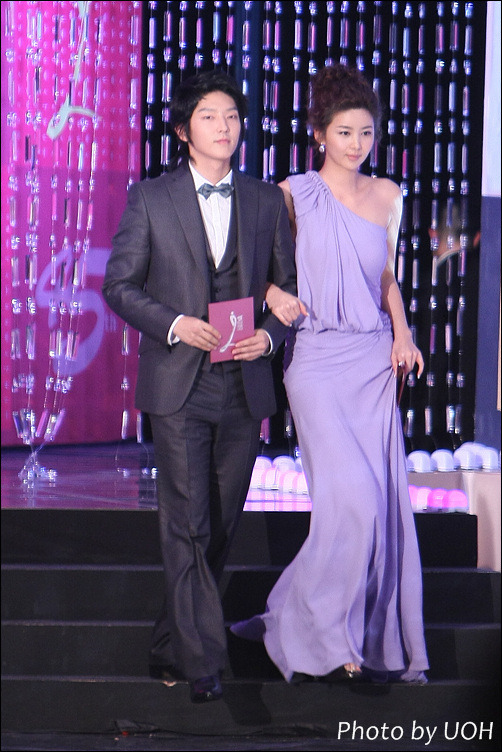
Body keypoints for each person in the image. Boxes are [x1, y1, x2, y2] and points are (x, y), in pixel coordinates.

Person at [102, 70, 297, 703]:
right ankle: (205, 661)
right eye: (210, 116)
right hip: (179, 383)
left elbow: (286, 290)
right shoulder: (151, 198)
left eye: (233, 116)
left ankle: (171, 644)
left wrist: (269, 336)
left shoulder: (266, 200)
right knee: (186, 520)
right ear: (185, 131)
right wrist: (176, 324)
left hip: (244, 382)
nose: (225, 126)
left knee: (218, 526)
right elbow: (119, 286)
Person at [231, 63, 429, 684]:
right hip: (314, 360)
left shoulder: (388, 195)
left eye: (366, 132)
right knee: (354, 500)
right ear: (319, 133)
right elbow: (251, 267)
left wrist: (403, 333)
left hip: (372, 363)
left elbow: (385, 275)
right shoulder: (291, 194)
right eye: (344, 132)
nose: (356, 144)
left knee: (373, 507)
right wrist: (271, 295)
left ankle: (306, 624)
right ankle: (316, 631)